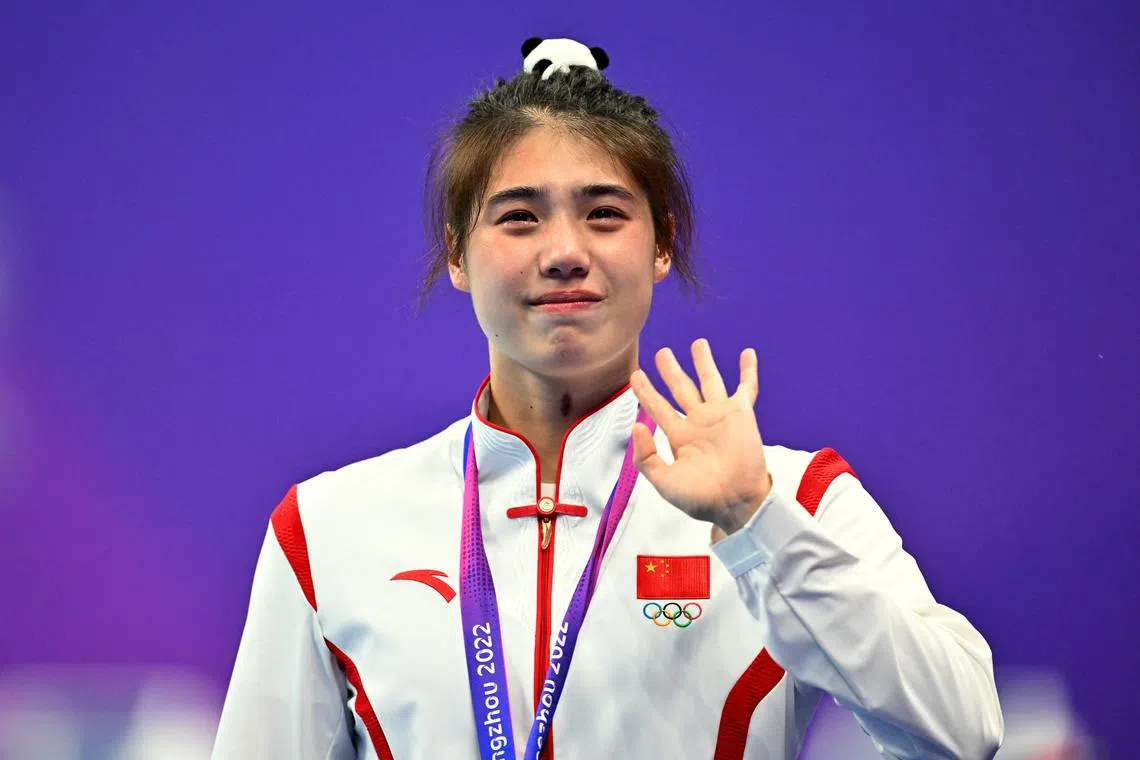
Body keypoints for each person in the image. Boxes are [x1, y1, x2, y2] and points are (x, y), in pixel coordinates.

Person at [211, 37, 1004, 760]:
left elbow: (965, 732)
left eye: (604, 215)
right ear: (456, 253)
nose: (564, 253)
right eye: (518, 217)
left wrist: (757, 524)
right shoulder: (327, 530)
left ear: (661, 246)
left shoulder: (795, 498)